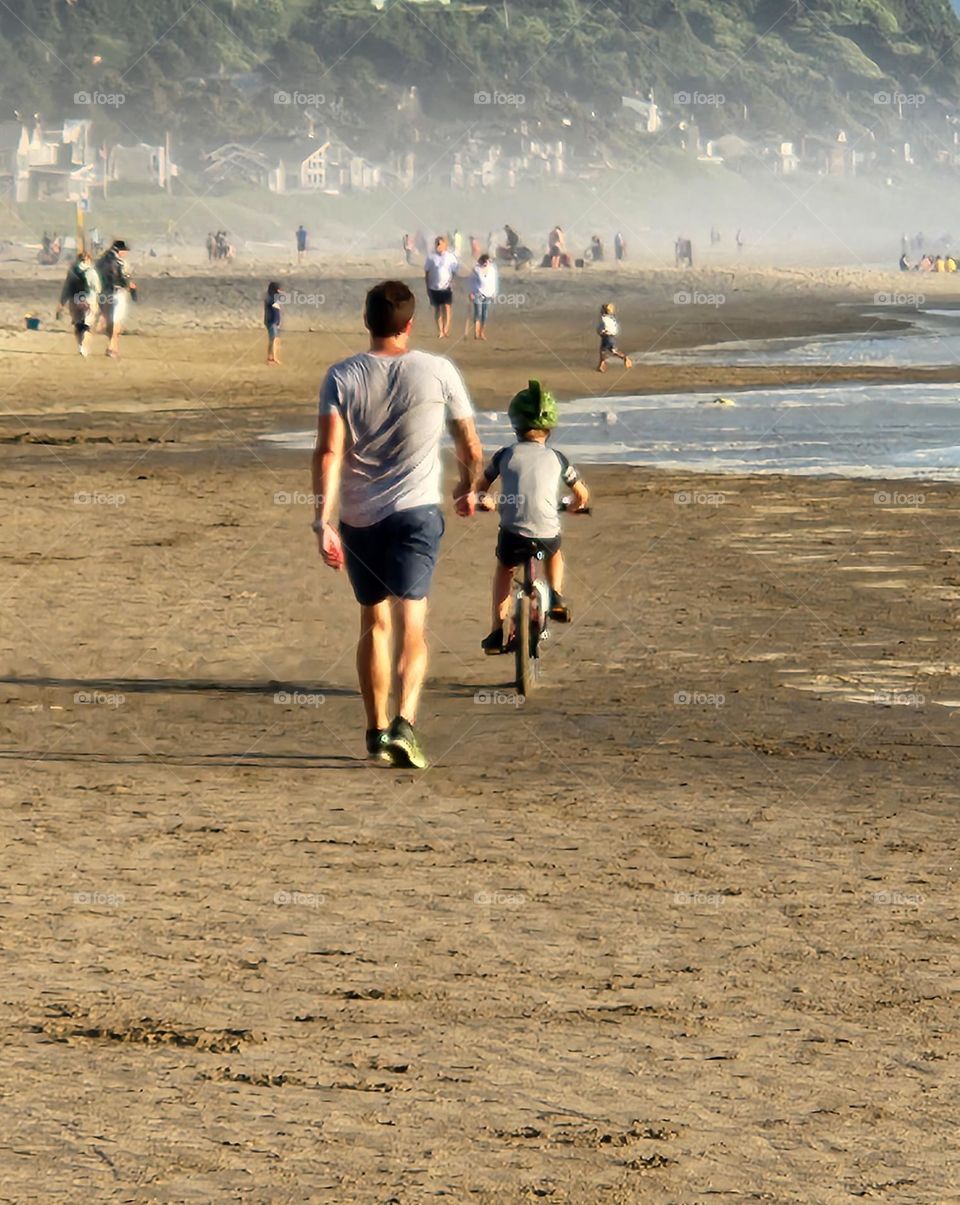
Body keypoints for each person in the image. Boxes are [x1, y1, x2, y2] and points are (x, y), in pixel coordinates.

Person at [313, 280, 482, 769]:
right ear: (410, 324)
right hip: (416, 513)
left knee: (374, 621)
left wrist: (321, 521)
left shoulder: (341, 376)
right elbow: (468, 444)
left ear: (367, 323)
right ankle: (405, 723)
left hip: (359, 517)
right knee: (413, 621)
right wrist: (470, 489)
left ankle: (375, 729)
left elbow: (329, 452)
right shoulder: (438, 369)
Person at [477, 380, 590, 654]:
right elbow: (582, 494)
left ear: (515, 425)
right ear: (549, 428)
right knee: (554, 551)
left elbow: (481, 489)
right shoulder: (558, 458)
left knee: (504, 568)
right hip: (546, 534)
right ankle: (557, 596)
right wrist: (574, 506)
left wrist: (488, 502)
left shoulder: (504, 455)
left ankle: (496, 630)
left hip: (512, 534)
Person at [96, 239, 136, 359]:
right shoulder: (117, 263)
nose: (126, 253)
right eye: (124, 251)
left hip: (103, 293)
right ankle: (113, 347)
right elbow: (117, 279)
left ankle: (113, 346)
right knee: (116, 321)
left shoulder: (101, 261)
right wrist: (128, 285)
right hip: (116, 293)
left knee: (110, 320)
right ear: (119, 251)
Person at [56, 250, 100, 357]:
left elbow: (66, 289)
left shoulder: (72, 272)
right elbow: (98, 289)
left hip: (74, 300)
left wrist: (61, 304)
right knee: (87, 325)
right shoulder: (92, 272)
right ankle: (85, 347)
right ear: (88, 260)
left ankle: (80, 346)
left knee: (78, 325)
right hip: (89, 300)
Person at [424, 235, 458, 338]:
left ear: (445, 245)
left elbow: (455, 271)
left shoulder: (450, 256)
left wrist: (453, 282)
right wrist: (427, 286)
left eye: (440, 243)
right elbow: (427, 272)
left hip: (447, 287)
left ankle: (446, 329)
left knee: (447, 308)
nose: (438, 245)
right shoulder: (431, 257)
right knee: (437, 309)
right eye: (437, 243)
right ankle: (440, 331)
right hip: (434, 287)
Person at [468, 253, 498, 340]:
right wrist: (471, 292)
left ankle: (482, 333)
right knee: (478, 313)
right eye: (484, 261)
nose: (486, 263)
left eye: (487, 261)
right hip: (478, 293)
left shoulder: (492, 270)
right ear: (481, 261)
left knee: (485, 315)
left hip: (488, 294)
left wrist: (494, 292)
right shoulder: (476, 270)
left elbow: (494, 282)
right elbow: (471, 282)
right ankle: (476, 333)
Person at [596, 302, 631, 373]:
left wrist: (601, 332)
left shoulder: (604, 319)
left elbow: (604, 328)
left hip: (608, 336)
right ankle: (601, 364)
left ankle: (625, 358)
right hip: (610, 336)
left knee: (612, 350)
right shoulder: (611, 318)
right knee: (603, 350)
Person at [264, 281, 283, 365]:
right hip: (272, 322)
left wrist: (278, 322)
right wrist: (276, 322)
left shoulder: (272, 298)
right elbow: (275, 311)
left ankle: (270, 357)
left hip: (272, 321)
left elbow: (276, 311)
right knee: (274, 340)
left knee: (274, 339)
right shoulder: (272, 299)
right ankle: (273, 358)